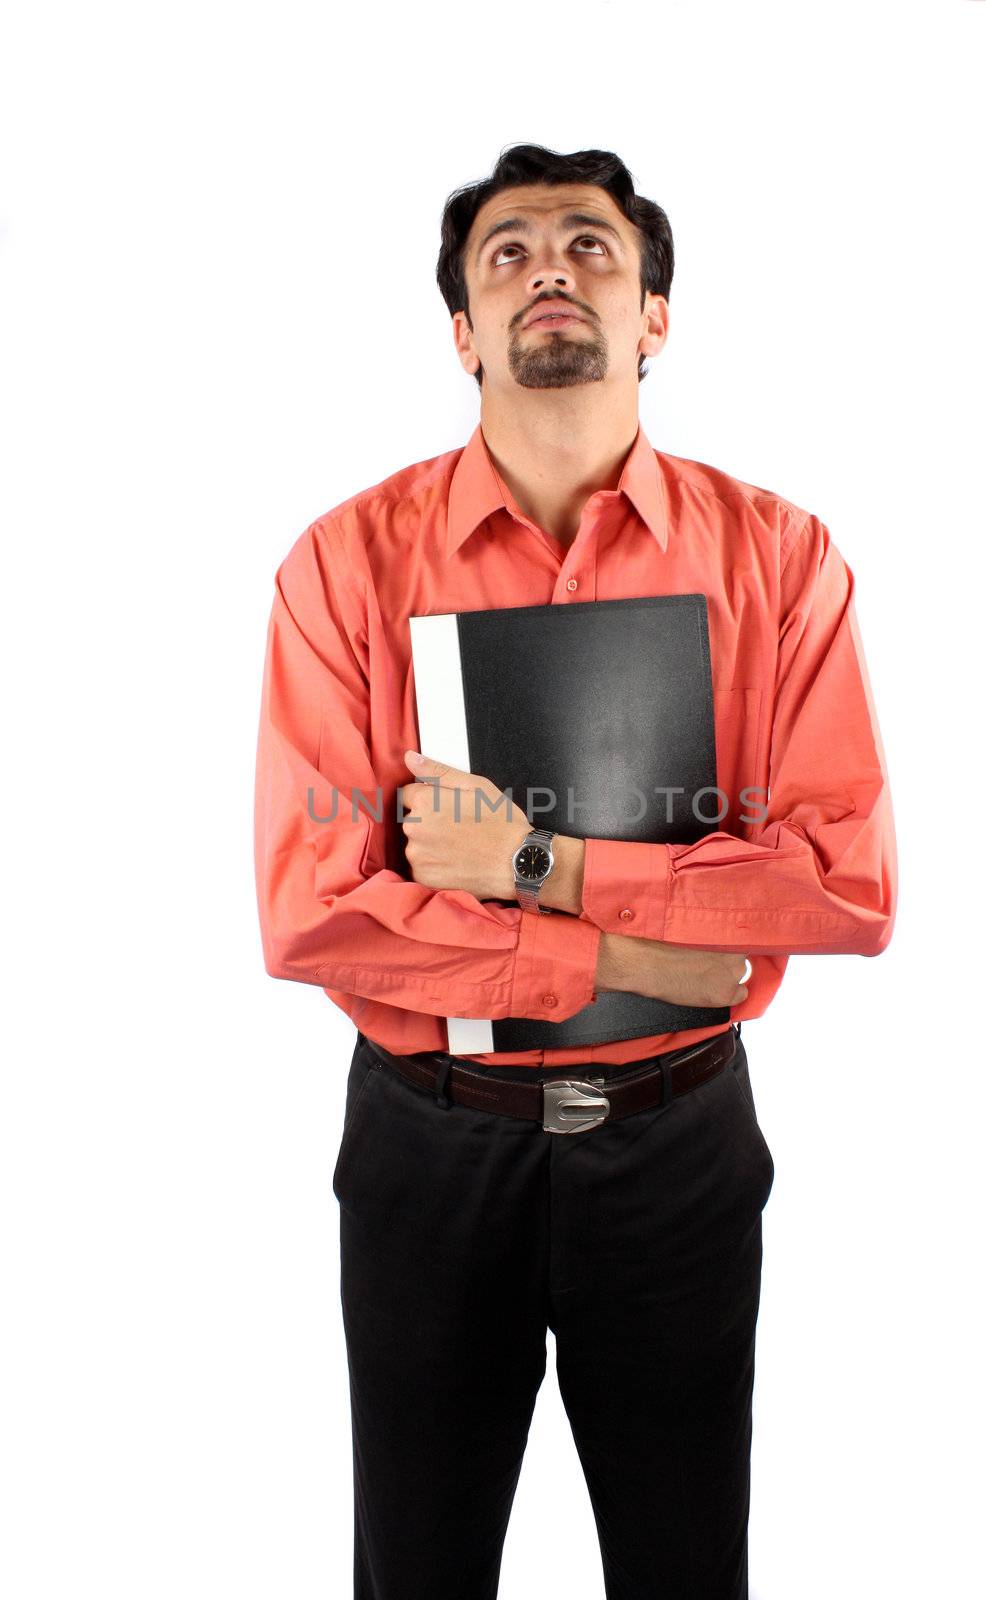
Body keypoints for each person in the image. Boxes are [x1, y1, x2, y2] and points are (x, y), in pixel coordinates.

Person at [253, 142, 898, 1600]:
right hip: (432, 1148)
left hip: (678, 1147)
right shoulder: (343, 569)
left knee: (686, 1572)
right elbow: (314, 915)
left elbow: (845, 885)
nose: (550, 265)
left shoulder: (780, 562)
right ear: (462, 335)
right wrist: (641, 951)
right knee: (416, 1573)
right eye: (508, 251)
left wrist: (536, 863)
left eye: (592, 246)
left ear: (655, 317)